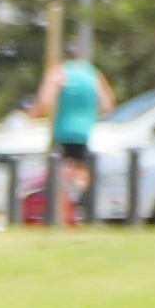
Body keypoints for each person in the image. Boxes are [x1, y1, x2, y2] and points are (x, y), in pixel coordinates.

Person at [46, 46, 107, 224]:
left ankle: (62, 217)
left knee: (58, 174)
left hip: (62, 131)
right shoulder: (92, 74)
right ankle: (81, 204)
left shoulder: (59, 73)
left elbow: (46, 100)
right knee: (82, 174)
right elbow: (106, 104)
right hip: (84, 132)